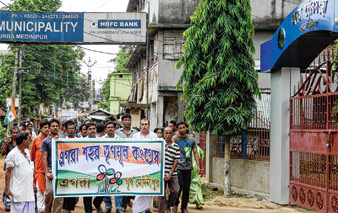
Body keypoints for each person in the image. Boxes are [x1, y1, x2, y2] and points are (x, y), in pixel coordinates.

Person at [173, 122, 201, 213]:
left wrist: (198, 166)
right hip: (178, 167)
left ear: (186, 128)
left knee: (186, 188)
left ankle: (184, 208)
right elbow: (171, 148)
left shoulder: (192, 140)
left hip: (188, 167)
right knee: (179, 187)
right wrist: (175, 139)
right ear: (177, 129)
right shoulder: (175, 139)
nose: (182, 129)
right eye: (180, 128)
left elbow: (195, 152)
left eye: (183, 127)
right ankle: (176, 203)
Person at [5, 131, 35, 212]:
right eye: (29, 140)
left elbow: (29, 169)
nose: (30, 142)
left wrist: (32, 183)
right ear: (23, 141)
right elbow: (8, 172)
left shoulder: (27, 152)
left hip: (28, 191)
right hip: (18, 191)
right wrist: (7, 189)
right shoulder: (12, 155)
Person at [132, 119, 158, 213]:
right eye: (142, 124)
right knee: (139, 189)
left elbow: (157, 149)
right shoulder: (135, 136)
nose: (144, 126)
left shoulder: (154, 136)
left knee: (149, 188)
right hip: (138, 166)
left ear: (149, 125)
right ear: (140, 125)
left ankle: (146, 208)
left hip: (150, 166)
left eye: (146, 124)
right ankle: (137, 210)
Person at [115, 113, 138, 211]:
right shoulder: (117, 133)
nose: (127, 122)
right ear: (122, 122)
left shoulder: (136, 133)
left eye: (129, 120)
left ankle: (128, 200)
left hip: (132, 161)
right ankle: (121, 206)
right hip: (120, 161)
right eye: (125, 120)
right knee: (120, 182)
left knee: (131, 181)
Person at [41, 118, 64, 213]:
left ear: (59, 127)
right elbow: (44, 158)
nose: (55, 128)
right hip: (50, 169)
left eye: (56, 126)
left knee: (60, 196)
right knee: (49, 192)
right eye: (53, 126)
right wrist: (47, 172)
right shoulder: (46, 142)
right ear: (49, 128)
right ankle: (47, 210)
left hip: (61, 170)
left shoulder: (63, 140)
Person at [83, 123, 104, 213]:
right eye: (90, 129)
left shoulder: (102, 141)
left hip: (99, 169)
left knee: (103, 189)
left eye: (94, 129)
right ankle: (88, 210)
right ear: (87, 131)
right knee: (87, 191)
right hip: (86, 170)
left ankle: (96, 203)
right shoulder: (81, 141)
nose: (92, 130)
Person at [158, 127, 180, 213]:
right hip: (160, 174)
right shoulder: (160, 144)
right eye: (166, 133)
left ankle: (169, 204)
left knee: (176, 191)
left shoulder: (176, 146)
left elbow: (176, 161)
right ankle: (161, 211)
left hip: (172, 173)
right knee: (161, 195)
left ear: (172, 134)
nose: (168, 135)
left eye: (170, 133)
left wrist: (170, 173)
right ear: (163, 134)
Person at [102, 121, 122, 213]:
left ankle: (119, 207)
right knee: (106, 186)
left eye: (112, 127)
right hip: (105, 165)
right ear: (105, 129)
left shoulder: (119, 139)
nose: (110, 129)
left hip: (117, 164)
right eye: (108, 127)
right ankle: (108, 206)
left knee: (118, 185)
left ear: (114, 129)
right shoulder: (101, 139)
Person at [30, 119, 49, 213]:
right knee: (40, 190)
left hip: (50, 169)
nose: (47, 129)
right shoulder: (36, 140)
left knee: (49, 192)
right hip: (39, 170)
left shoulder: (52, 140)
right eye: (45, 127)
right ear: (40, 129)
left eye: (48, 127)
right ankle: (41, 210)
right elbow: (32, 156)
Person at [1, 127, 19, 211]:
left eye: (16, 133)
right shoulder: (7, 143)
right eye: (13, 133)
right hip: (9, 167)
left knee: (17, 184)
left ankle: (16, 201)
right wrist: (5, 144)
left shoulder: (21, 142)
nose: (15, 134)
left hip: (18, 166)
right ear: (11, 133)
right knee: (8, 184)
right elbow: (3, 153)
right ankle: (7, 202)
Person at [62, 120, 78, 213]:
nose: (71, 130)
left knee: (73, 190)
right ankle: (65, 209)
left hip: (76, 168)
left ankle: (69, 208)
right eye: (69, 129)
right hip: (65, 168)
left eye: (73, 129)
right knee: (65, 189)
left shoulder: (79, 140)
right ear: (66, 130)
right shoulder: (62, 140)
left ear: (75, 130)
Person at [187, 132, 205, 209]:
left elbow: (200, 159)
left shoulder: (198, 149)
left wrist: (201, 169)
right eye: (190, 137)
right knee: (189, 187)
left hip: (196, 170)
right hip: (188, 170)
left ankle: (198, 202)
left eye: (193, 137)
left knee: (197, 185)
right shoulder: (187, 148)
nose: (192, 139)